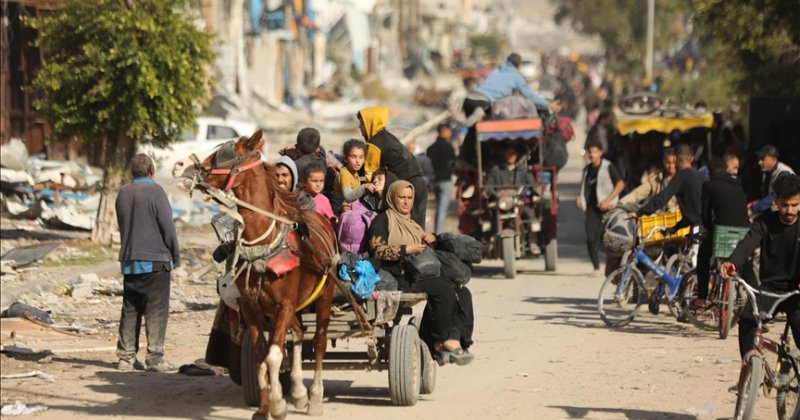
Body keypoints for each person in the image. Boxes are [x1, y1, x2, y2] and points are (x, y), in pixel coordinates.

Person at [368, 180, 474, 365]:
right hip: (401, 274)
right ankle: (439, 340)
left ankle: (456, 338)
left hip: (422, 272)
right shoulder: (383, 219)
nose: (406, 202)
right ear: (392, 197)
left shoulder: (412, 222)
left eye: (409, 198)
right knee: (442, 291)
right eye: (402, 197)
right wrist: (405, 249)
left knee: (463, 292)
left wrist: (430, 238)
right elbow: (377, 249)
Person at [719, 174, 800, 359]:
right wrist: (732, 262)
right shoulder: (764, 222)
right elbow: (748, 243)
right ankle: (748, 369)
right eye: (785, 204)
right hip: (769, 289)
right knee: (747, 320)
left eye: (794, 205)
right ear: (776, 201)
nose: (789, 210)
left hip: (796, 290)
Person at [115, 154, 180, 372]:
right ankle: (154, 359)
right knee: (156, 310)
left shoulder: (123, 193)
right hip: (156, 261)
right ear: (151, 170)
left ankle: (125, 358)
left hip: (130, 260)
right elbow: (168, 228)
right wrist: (175, 255)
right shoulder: (156, 192)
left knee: (130, 309)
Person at [358, 106, 428, 228]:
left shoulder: (375, 144)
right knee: (417, 229)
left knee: (409, 231)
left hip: (407, 190)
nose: (360, 127)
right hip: (418, 185)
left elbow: (370, 174)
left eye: (362, 124)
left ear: (371, 123)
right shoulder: (386, 137)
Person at [694, 158, 750, 308]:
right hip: (744, 230)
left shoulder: (709, 185)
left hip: (722, 229)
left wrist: (708, 228)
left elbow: (705, 214)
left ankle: (701, 297)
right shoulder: (738, 185)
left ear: (710, 174)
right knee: (746, 263)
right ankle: (755, 302)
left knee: (703, 256)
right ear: (726, 170)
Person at [577, 141, 625, 277]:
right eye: (590, 152)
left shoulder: (608, 167)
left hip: (608, 209)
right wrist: (579, 197)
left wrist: (608, 200)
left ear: (600, 152)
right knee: (590, 238)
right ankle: (596, 267)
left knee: (611, 239)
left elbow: (620, 184)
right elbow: (585, 186)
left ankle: (614, 267)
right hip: (592, 208)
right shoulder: (587, 169)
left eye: (595, 152)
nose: (592, 155)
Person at [636, 144, 706, 235]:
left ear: (676, 159)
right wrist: (675, 227)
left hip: (697, 230)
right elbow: (694, 211)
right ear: (691, 159)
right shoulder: (702, 177)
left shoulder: (681, 176)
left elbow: (662, 198)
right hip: (708, 227)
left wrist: (639, 212)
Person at [617, 147, 678, 212]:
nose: (671, 166)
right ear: (663, 161)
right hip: (659, 218)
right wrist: (620, 203)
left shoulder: (683, 178)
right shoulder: (655, 179)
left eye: (674, 163)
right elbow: (637, 194)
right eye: (668, 163)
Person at [426, 123, 456, 234]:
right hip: (445, 182)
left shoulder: (430, 148)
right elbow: (453, 164)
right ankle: (438, 234)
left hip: (434, 181)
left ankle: (436, 232)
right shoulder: (448, 147)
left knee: (439, 208)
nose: (451, 133)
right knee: (442, 209)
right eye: (449, 131)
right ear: (444, 132)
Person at [750, 145, 796, 215]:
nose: (759, 162)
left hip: (787, 214)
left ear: (773, 159)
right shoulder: (767, 172)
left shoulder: (784, 173)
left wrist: (753, 209)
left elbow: (774, 196)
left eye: (763, 159)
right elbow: (760, 192)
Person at [334, 139, 375, 209]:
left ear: (364, 159)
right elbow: (348, 197)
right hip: (343, 210)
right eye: (353, 157)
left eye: (361, 157)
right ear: (345, 159)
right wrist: (364, 187)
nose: (358, 161)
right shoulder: (345, 174)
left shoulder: (354, 172)